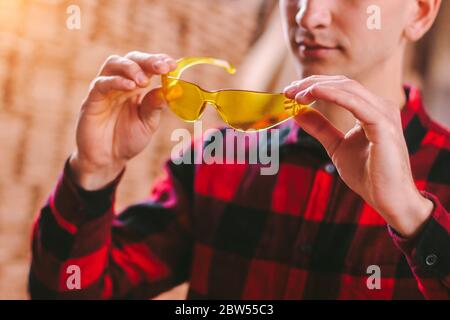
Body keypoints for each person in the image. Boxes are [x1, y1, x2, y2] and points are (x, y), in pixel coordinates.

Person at [29, 0, 449, 299]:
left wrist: (415, 220)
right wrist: (93, 172)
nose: (309, 15)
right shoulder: (215, 160)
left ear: (421, 11)